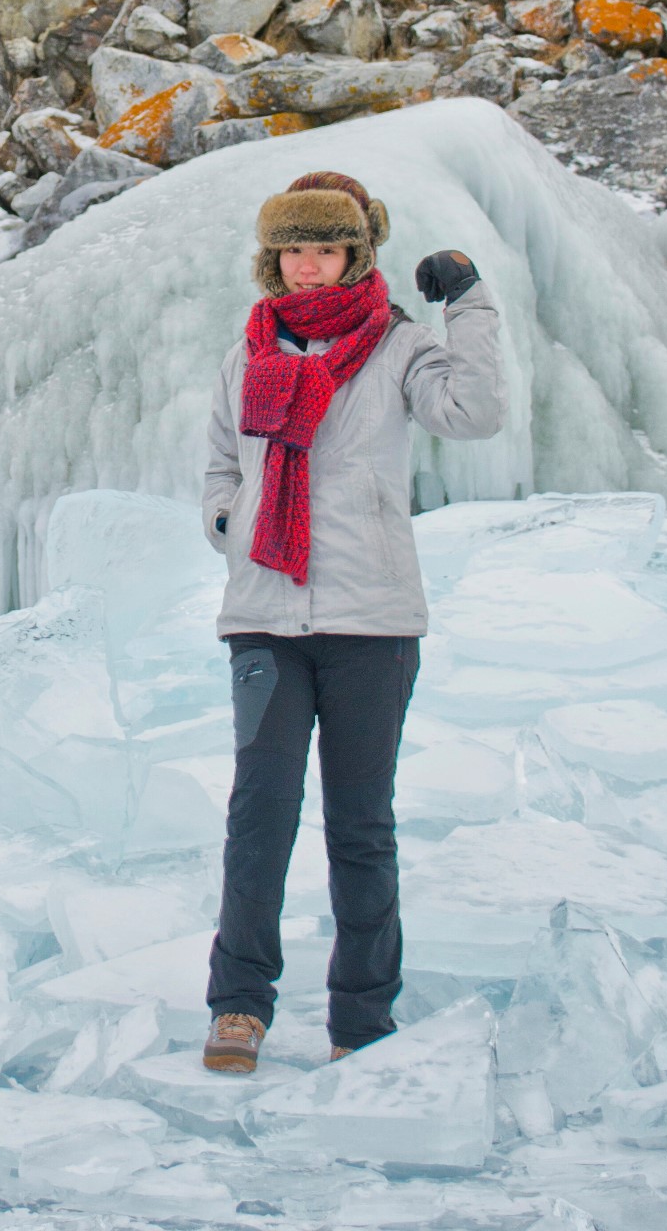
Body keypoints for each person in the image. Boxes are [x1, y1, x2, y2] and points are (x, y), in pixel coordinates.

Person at [199, 169, 505, 1074]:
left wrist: (470, 309)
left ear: (354, 252)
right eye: (291, 247)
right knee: (259, 813)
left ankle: (361, 1019)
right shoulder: (246, 353)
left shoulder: (397, 348)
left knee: (359, 823)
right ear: (272, 256)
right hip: (262, 619)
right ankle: (238, 1009)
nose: (306, 266)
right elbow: (220, 461)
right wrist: (231, 526)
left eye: (323, 247)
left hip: (371, 621)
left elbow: (475, 412)